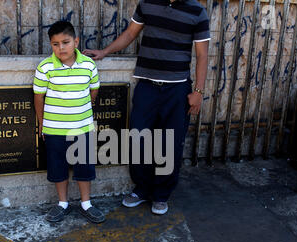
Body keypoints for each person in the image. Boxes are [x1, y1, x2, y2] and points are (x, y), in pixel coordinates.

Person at [84, 0, 210, 215]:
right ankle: (141, 190)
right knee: (138, 139)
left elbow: (202, 55)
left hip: (177, 90)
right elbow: (130, 34)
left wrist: (198, 92)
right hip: (146, 86)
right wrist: (104, 52)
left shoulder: (197, 11)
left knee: (169, 145)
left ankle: (161, 195)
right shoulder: (147, 4)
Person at [33, 21, 105, 224]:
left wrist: (83, 111)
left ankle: (86, 204)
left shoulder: (88, 65)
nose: (61, 48)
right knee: (58, 167)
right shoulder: (45, 67)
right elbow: (39, 97)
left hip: (82, 128)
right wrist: (41, 123)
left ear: (76, 41)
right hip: (54, 129)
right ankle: (62, 203)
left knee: (84, 167)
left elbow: (94, 90)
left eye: (65, 42)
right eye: (55, 44)